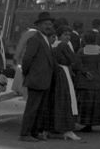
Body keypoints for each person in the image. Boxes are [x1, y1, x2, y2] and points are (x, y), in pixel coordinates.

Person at [19, 11, 57, 142]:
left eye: (50, 24)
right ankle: (25, 133)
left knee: (40, 109)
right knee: (32, 108)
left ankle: (35, 132)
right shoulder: (35, 39)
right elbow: (27, 58)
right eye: (46, 24)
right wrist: (27, 73)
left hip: (44, 79)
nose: (48, 26)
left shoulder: (45, 39)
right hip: (36, 79)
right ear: (39, 25)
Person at [49, 26, 82, 141]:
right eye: (65, 35)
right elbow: (73, 60)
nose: (68, 37)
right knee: (67, 100)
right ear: (60, 35)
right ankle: (67, 129)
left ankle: (54, 128)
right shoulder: (63, 45)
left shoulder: (52, 44)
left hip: (53, 74)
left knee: (55, 102)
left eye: (69, 35)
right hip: (63, 73)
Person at [75, 31, 100, 132]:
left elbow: (77, 65)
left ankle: (88, 125)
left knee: (87, 105)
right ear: (96, 39)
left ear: (85, 40)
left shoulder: (81, 51)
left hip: (86, 82)